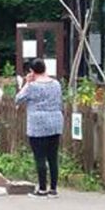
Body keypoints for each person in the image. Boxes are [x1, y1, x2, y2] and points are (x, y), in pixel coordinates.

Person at [16, 58, 64, 198]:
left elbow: (18, 99)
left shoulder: (32, 86)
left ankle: (42, 189)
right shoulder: (56, 84)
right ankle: (53, 189)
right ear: (45, 68)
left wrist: (27, 83)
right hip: (55, 121)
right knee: (53, 157)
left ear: (32, 71)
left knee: (40, 157)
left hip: (38, 124)